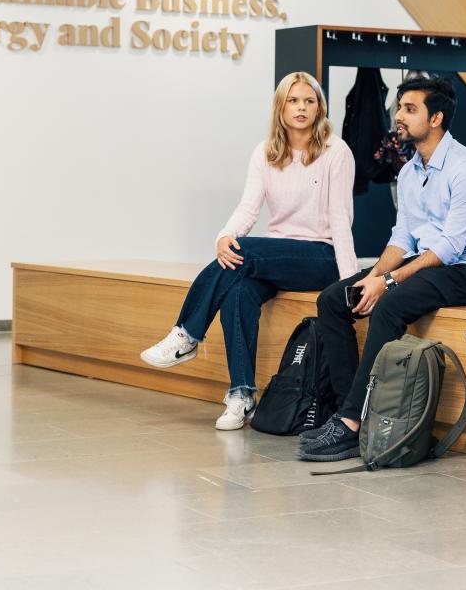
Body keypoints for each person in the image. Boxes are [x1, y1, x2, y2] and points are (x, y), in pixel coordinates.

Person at [140, 72, 356, 431]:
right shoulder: (266, 152)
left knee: (245, 252)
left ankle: (187, 334)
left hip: (321, 256)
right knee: (237, 291)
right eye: (293, 101)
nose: (301, 108)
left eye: (309, 101)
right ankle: (241, 394)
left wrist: (348, 282)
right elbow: (248, 207)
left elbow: (340, 218)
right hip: (279, 256)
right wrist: (225, 235)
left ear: (320, 107)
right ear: (280, 107)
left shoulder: (337, 152)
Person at [298, 76, 466, 462]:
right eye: (399, 107)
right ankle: (347, 411)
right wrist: (372, 278)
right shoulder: (408, 172)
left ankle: (353, 421)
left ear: (436, 118)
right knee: (334, 299)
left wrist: (386, 283)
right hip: (423, 260)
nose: (398, 115)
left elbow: (450, 248)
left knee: (389, 304)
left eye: (409, 109)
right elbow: (401, 238)